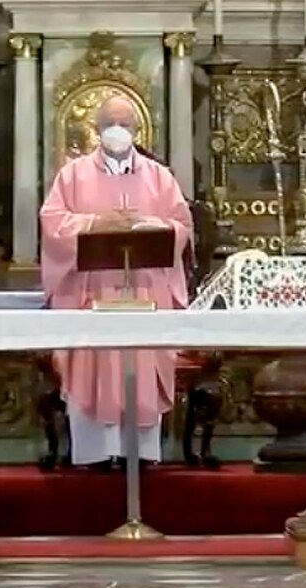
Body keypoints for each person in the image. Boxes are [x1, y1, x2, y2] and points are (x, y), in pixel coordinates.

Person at [39, 94, 193, 466]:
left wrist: (154, 227)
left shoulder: (160, 177)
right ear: (97, 129)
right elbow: (53, 222)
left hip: (145, 291)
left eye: (125, 125)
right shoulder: (72, 175)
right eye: (111, 124)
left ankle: (139, 454)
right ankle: (95, 452)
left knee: (140, 363)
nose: (118, 132)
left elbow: (182, 224)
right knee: (94, 365)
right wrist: (96, 224)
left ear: (137, 130)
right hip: (91, 292)